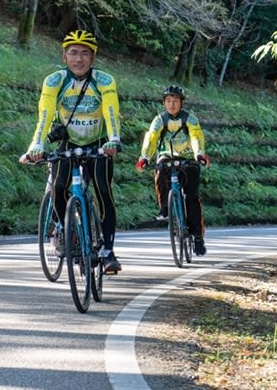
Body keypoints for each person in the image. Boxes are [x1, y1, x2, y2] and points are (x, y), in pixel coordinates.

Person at [22, 30, 123, 274]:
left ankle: (107, 251)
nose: (79, 59)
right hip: (69, 143)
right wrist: (36, 145)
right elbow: (44, 116)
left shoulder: (104, 81)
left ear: (93, 58)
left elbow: (111, 112)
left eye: (85, 54)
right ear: (65, 57)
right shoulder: (54, 81)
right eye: (73, 53)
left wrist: (113, 139)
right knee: (57, 188)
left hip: (99, 143)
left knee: (103, 190)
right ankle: (66, 228)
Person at [135, 85, 211, 256]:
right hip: (167, 156)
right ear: (163, 103)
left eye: (175, 101)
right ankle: (164, 207)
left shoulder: (190, 119)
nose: (172, 104)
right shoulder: (159, 120)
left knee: (192, 198)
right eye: (168, 101)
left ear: (182, 103)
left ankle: (198, 237)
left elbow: (196, 136)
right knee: (160, 173)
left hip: (188, 158)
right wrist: (144, 157)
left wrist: (199, 154)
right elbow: (151, 138)